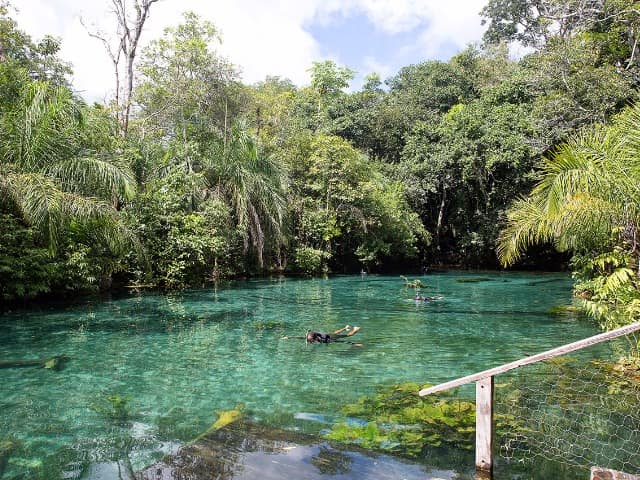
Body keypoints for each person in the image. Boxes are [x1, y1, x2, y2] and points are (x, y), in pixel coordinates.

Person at [282, 325, 362, 345]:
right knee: (335, 332)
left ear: (314, 339)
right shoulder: (316, 336)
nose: (309, 341)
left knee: (347, 336)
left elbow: (341, 342)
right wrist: (289, 337)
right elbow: (301, 338)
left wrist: (354, 344)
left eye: (310, 340)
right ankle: (345, 327)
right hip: (329, 334)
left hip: (331, 337)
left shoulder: (325, 340)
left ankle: (356, 329)